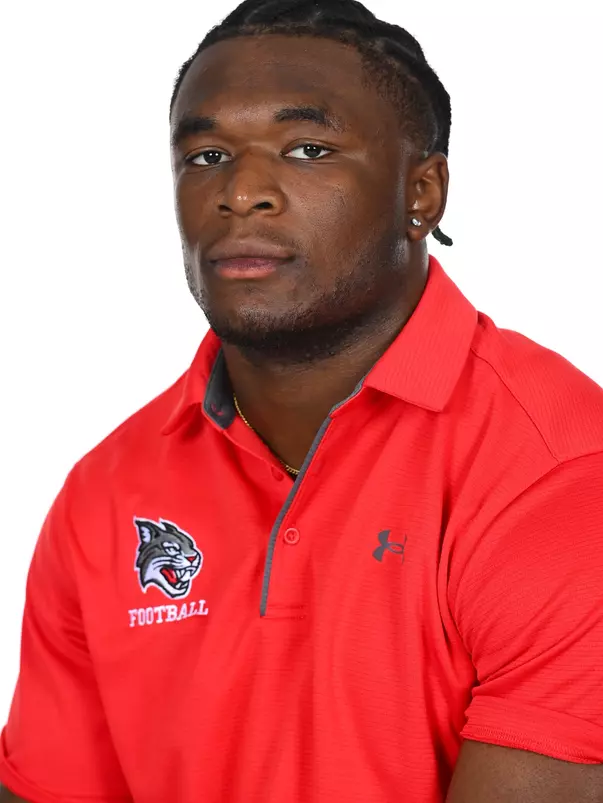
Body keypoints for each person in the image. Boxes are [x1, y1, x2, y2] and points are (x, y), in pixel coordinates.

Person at [1, 0, 603, 800]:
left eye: (308, 148)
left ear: (421, 193)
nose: (241, 192)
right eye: (207, 156)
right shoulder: (104, 492)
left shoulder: (558, 471)